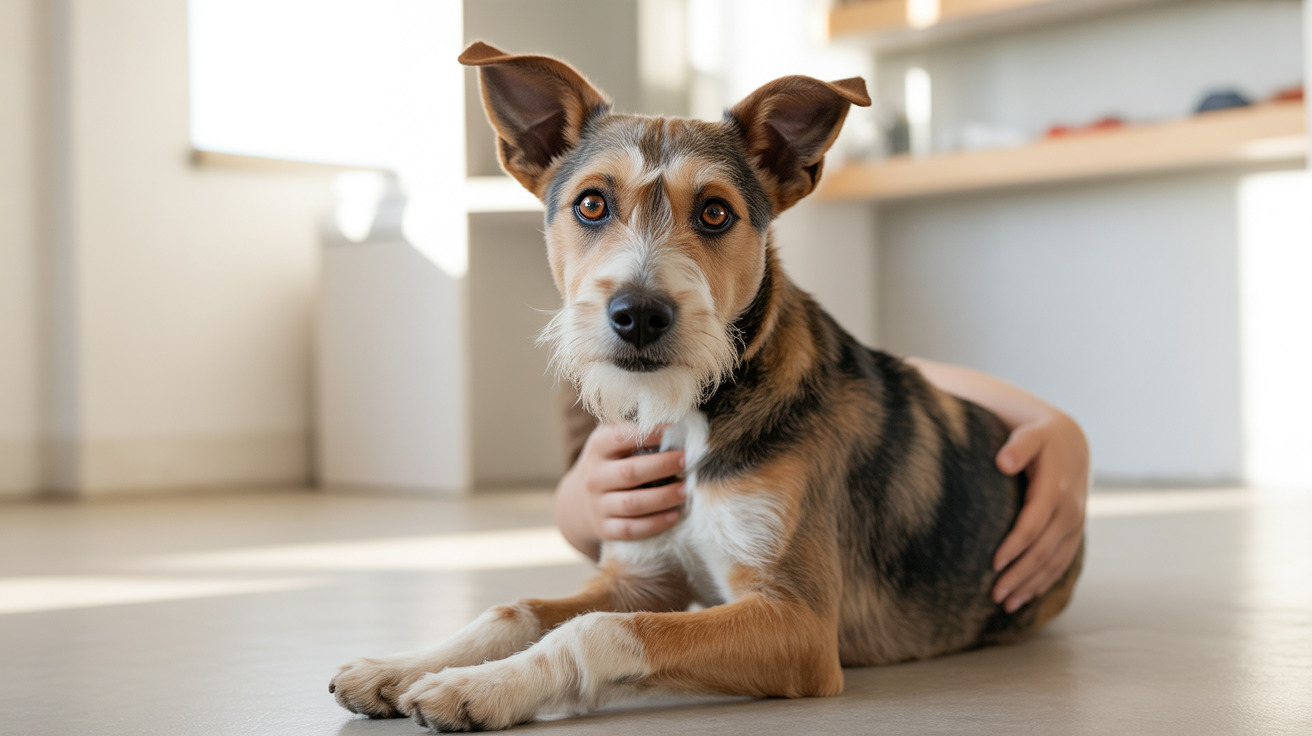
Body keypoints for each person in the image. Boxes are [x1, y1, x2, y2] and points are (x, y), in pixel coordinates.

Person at [554, 358, 1089, 615]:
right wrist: (577, 500)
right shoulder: (581, 360)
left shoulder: (776, 339)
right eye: (595, 208)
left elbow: (881, 369)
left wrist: (1052, 422)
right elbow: (591, 505)